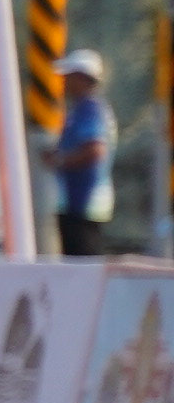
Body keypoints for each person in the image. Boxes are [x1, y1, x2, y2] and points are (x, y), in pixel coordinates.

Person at [54, 50, 118, 257]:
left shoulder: (89, 109)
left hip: (83, 203)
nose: (64, 81)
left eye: (69, 76)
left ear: (82, 78)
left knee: (83, 261)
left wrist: (59, 161)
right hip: (77, 203)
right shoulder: (84, 108)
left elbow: (95, 151)